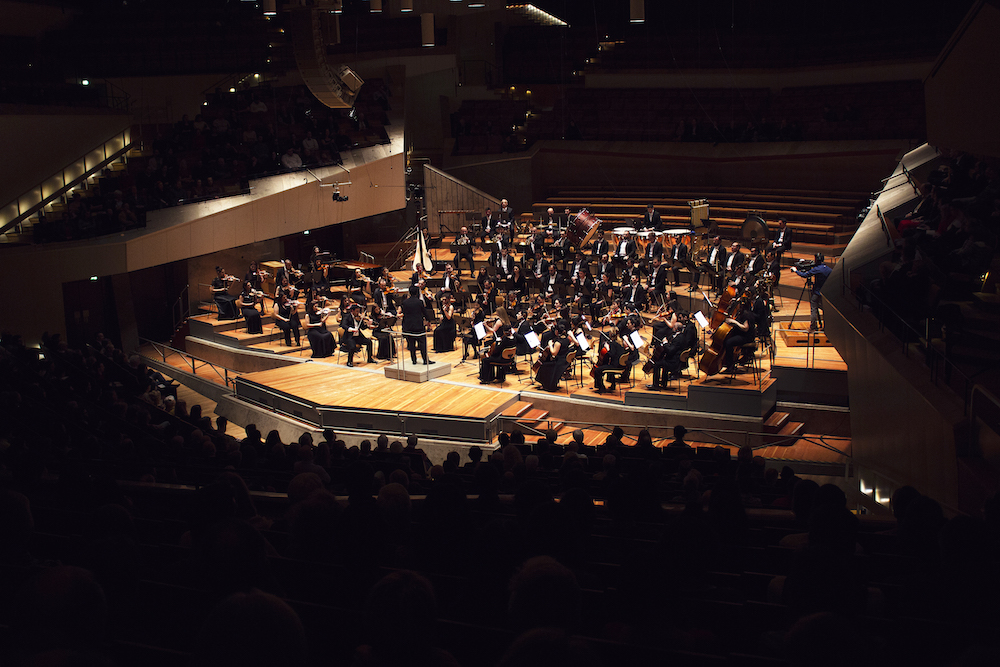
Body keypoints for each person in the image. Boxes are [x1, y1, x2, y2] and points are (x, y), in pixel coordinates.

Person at [791, 253, 832, 331]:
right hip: (825, 293)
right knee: (825, 310)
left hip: (816, 292)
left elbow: (805, 275)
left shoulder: (817, 269)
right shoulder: (829, 269)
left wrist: (796, 271)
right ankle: (827, 327)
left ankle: (813, 327)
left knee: (813, 309)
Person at [534, 323, 571, 392]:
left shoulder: (558, 342)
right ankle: (549, 383)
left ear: (556, 331)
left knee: (544, 365)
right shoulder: (567, 339)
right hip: (564, 360)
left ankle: (547, 385)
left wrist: (550, 345)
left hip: (559, 362)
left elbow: (554, 353)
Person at [401, 285, 430, 364]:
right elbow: (424, 313)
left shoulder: (405, 302)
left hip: (408, 325)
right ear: (417, 293)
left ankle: (414, 360)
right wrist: (428, 320)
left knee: (411, 344)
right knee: (422, 343)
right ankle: (425, 360)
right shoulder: (419, 302)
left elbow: (404, 313)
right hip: (418, 325)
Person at [341, 303, 374, 367]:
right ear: (352, 311)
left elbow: (363, 328)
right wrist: (352, 329)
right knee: (352, 346)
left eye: (359, 311)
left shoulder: (359, 318)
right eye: (357, 311)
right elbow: (343, 325)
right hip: (350, 337)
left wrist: (368, 324)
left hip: (358, 337)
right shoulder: (347, 316)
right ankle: (349, 361)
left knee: (369, 342)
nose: (358, 313)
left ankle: (370, 358)